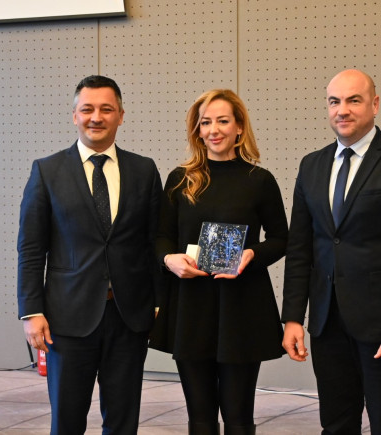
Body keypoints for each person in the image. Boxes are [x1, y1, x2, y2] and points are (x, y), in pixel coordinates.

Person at [281, 69, 381, 434]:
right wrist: (292, 317)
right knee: (336, 424)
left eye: (354, 100)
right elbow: (300, 249)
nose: (343, 110)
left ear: (375, 104)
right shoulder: (312, 165)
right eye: (334, 101)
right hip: (326, 321)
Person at [17, 75, 162, 435]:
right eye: (87, 109)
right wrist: (31, 311)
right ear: (74, 115)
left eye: (106, 109)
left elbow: (154, 241)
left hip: (128, 318)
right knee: (67, 422)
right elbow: (31, 248)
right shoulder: (47, 171)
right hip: (67, 320)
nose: (96, 117)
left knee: (123, 423)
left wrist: (159, 301)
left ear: (121, 116)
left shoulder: (144, 170)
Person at [149, 89, 288, 435]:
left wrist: (252, 254)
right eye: (205, 122)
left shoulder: (259, 180)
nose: (214, 129)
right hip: (191, 306)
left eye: (223, 121)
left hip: (241, 307)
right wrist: (169, 259)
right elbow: (161, 236)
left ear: (239, 127)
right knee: (200, 416)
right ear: (197, 130)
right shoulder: (180, 179)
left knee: (238, 415)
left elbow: (281, 239)